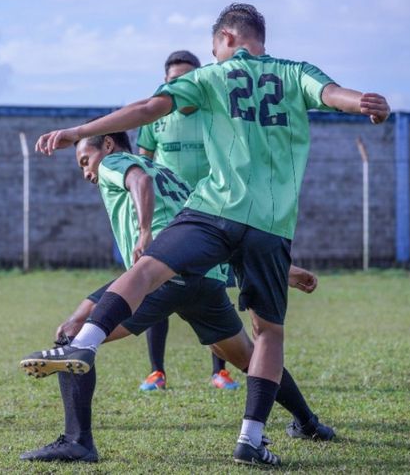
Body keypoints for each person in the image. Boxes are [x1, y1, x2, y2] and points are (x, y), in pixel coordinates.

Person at [23, 3, 390, 466]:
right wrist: (366, 105)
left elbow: (144, 108)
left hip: (212, 210)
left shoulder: (211, 78)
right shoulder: (295, 72)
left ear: (227, 40)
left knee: (147, 269)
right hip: (268, 227)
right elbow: (335, 93)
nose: (213, 54)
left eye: (213, 46)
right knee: (266, 336)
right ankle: (252, 438)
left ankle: (84, 349)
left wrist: (78, 129)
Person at [20, 130, 333, 463]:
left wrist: (144, 232)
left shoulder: (115, 161)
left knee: (73, 334)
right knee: (250, 357)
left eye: (85, 160)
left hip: (160, 276)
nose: (86, 172)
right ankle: (309, 423)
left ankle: (77, 440)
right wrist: (286, 272)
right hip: (205, 282)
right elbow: (212, 237)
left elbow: (139, 182)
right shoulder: (171, 176)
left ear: (108, 145)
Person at [136, 50, 238, 393]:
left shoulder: (217, 113)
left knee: (215, 287)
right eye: (173, 80)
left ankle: (220, 371)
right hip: (170, 217)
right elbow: (143, 167)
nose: (181, 85)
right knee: (156, 285)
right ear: (166, 82)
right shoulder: (156, 116)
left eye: (188, 78)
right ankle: (156, 372)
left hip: (212, 214)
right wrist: (144, 221)